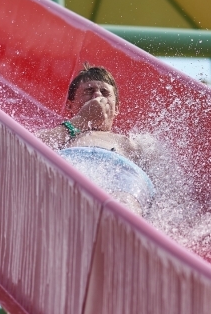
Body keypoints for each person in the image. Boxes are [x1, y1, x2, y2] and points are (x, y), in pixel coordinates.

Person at [35, 65, 154, 214]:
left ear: (116, 108)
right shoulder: (65, 133)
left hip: (123, 174)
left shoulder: (131, 143)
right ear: (70, 105)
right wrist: (82, 120)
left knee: (122, 204)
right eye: (88, 91)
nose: (98, 96)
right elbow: (27, 146)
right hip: (73, 163)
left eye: (105, 92)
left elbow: (163, 180)